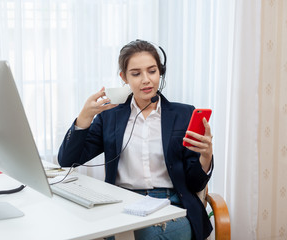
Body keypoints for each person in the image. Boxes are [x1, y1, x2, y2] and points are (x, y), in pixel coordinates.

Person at [58, 40, 213, 240]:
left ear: (160, 72)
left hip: (171, 204)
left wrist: (205, 157)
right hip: (124, 204)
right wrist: (84, 118)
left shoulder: (183, 114)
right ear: (124, 77)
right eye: (136, 73)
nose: (146, 80)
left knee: (148, 234)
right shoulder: (110, 116)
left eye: (152, 71)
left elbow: (195, 183)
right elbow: (67, 160)